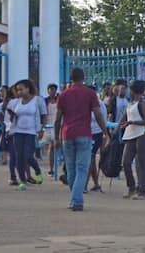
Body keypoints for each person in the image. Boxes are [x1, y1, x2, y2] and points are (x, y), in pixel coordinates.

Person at [54, 67, 108, 211]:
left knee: (71, 169)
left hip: (67, 134)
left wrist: (56, 138)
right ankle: (76, 200)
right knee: (82, 168)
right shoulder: (90, 94)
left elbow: (58, 119)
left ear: (71, 78)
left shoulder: (63, 95)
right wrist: (105, 131)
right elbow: (97, 114)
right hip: (84, 133)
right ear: (83, 77)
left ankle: (74, 198)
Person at [9, 79, 45, 191]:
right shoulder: (16, 102)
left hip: (31, 131)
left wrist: (41, 129)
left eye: (21, 89)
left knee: (28, 155)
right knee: (19, 156)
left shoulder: (37, 100)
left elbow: (43, 115)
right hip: (18, 131)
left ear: (28, 89)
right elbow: (11, 116)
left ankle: (37, 170)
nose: (19, 92)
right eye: (17, 90)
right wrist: (11, 115)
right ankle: (22, 181)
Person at [121, 80, 145, 200]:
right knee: (125, 162)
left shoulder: (143, 103)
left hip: (142, 134)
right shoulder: (131, 103)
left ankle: (142, 190)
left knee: (142, 162)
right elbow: (125, 116)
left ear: (133, 90)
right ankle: (132, 187)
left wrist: (132, 122)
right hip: (131, 134)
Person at [87, 89, 108, 193]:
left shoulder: (101, 105)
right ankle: (96, 183)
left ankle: (84, 185)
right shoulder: (85, 103)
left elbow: (103, 119)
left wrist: (105, 134)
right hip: (86, 133)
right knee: (91, 159)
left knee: (90, 157)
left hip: (97, 134)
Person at [43, 83, 59, 177]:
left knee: (58, 146)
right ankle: (51, 168)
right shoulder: (45, 101)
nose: (52, 91)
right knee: (51, 147)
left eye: (53, 89)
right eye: (50, 89)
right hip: (48, 125)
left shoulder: (59, 100)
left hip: (57, 124)